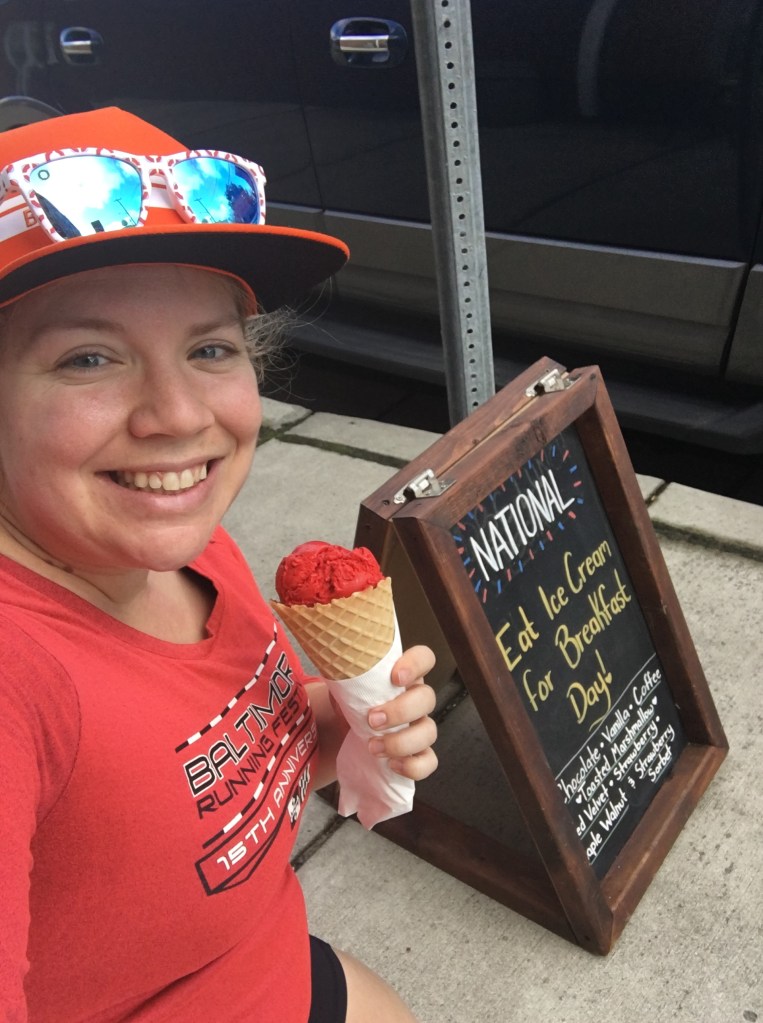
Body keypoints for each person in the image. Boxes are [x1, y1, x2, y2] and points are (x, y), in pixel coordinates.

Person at [0, 108, 438, 1023]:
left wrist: (348, 724)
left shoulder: (188, 545)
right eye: (89, 357)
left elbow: (198, 770)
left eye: (209, 348)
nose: (177, 415)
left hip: (267, 960)